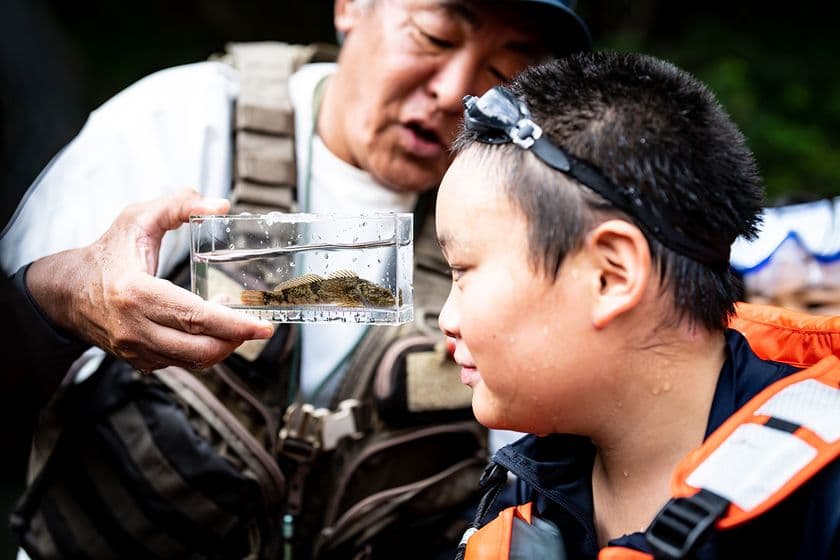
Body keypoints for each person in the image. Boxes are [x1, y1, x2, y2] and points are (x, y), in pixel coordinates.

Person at [0, 1, 592, 558]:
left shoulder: (512, 214)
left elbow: (531, 475)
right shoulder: (183, 121)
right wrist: (60, 299)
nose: (452, 91)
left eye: (502, 69)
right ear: (351, 8)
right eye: (434, 37)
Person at [435, 52, 840, 559]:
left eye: (463, 271)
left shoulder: (823, 506)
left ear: (611, 275)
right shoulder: (529, 488)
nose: (446, 320)